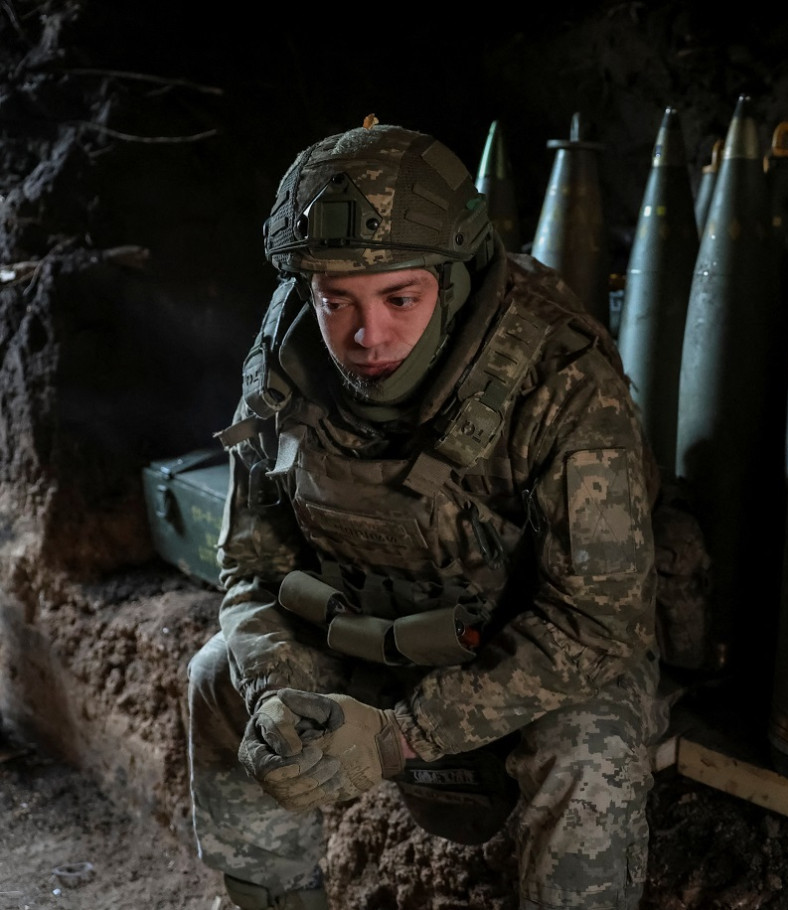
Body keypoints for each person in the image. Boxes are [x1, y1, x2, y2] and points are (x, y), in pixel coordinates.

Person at [186, 121, 668, 910]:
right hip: (369, 633)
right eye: (335, 300)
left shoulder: (558, 377)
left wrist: (400, 736)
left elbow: (596, 625)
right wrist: (282, 691)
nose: (365, 335)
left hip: (522, 658)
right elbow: (252, 563)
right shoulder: (286, 361)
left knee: (590, 749)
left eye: (399, 298)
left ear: (456, 278)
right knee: (218, 678)